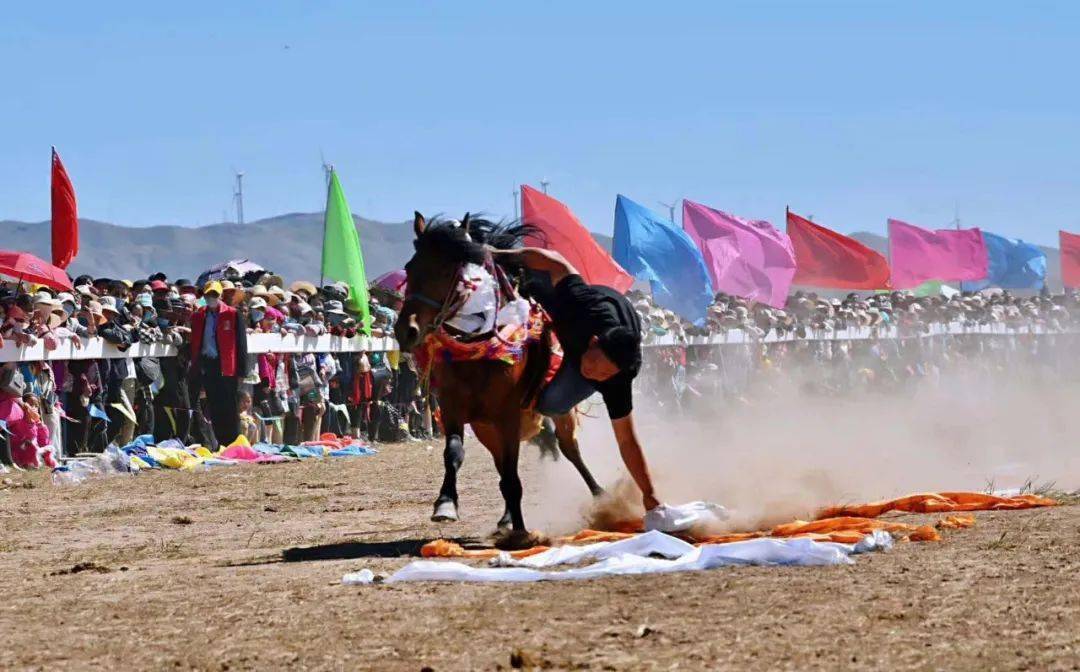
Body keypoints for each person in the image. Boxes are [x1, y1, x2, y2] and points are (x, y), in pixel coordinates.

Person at [490, 246, 688, 532]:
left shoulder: (616, 378)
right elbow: (558, 261)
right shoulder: (580, 307)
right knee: (532, 286)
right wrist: (500, 253)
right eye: (597, 367)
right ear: (593, 342)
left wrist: (650, 494)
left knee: (550, 404)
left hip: (609, 334)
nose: (597, 375)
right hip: (578, 316)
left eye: (605, 375)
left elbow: (626, 440)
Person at [188, 281, 248, 447]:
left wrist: (242, 371)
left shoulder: (233, 314)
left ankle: (235, 443)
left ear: (220, 296)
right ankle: (220, 444)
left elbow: (241, 344)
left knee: (230, 406)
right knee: (214, 406)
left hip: (228, 367)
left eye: (214, 295)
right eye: (208, 295)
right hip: (208, 365)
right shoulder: (199, 315)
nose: (211, 298)